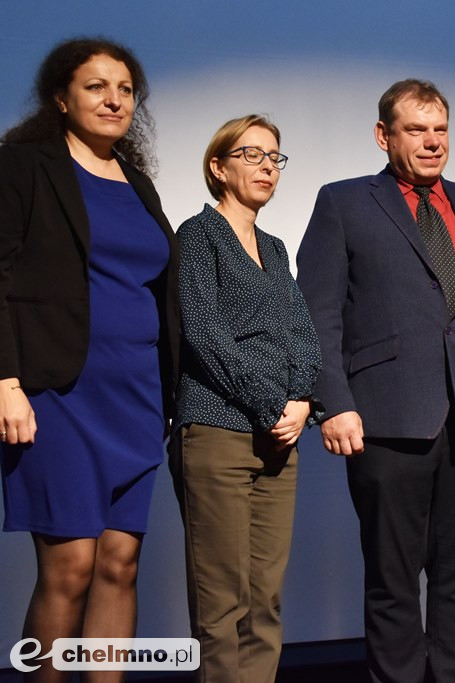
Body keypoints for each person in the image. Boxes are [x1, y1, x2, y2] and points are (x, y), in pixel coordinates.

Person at [296, 79, 455, 683]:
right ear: (384, 136)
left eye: (440, 130)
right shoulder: (344, 202)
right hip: (383, 417)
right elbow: (317, 314)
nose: (432, 143)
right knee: (393, 579)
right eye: (416, 130)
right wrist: (335, 405)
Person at [0, 38, 179, 681]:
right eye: (96, 86)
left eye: (126, 89)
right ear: (60, 98)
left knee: (119, 565)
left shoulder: (137, 182)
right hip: (57, 394)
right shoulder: (22, 166)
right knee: (70, 566)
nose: (114, 99)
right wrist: (5, 381)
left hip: (135, 397)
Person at [169, 115, 320, 682]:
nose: (265, 167)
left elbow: (302, 330)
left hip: (278, 439)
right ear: (219, 166)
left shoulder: (276, 248)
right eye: (251, 154)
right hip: (217, 430)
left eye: (274, 157)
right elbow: (203, 333)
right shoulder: (197, 234)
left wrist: (303, 397)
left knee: (266, 602)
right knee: (221, 606)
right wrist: (271, 401)